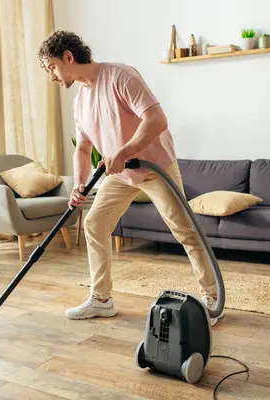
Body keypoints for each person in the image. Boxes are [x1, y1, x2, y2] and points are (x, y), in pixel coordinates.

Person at [38, 30, 223, 325]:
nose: (52, 77)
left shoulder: (121, 76)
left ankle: (212, 297)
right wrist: (79, 184)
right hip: (120, 175)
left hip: (154, 168)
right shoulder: (79, 102)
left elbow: (157, 120)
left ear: (68, 57)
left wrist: (123, 151)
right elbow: (84, 148)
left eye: (52, 68)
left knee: (185, 230)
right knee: (94, 223)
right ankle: (101, 299)